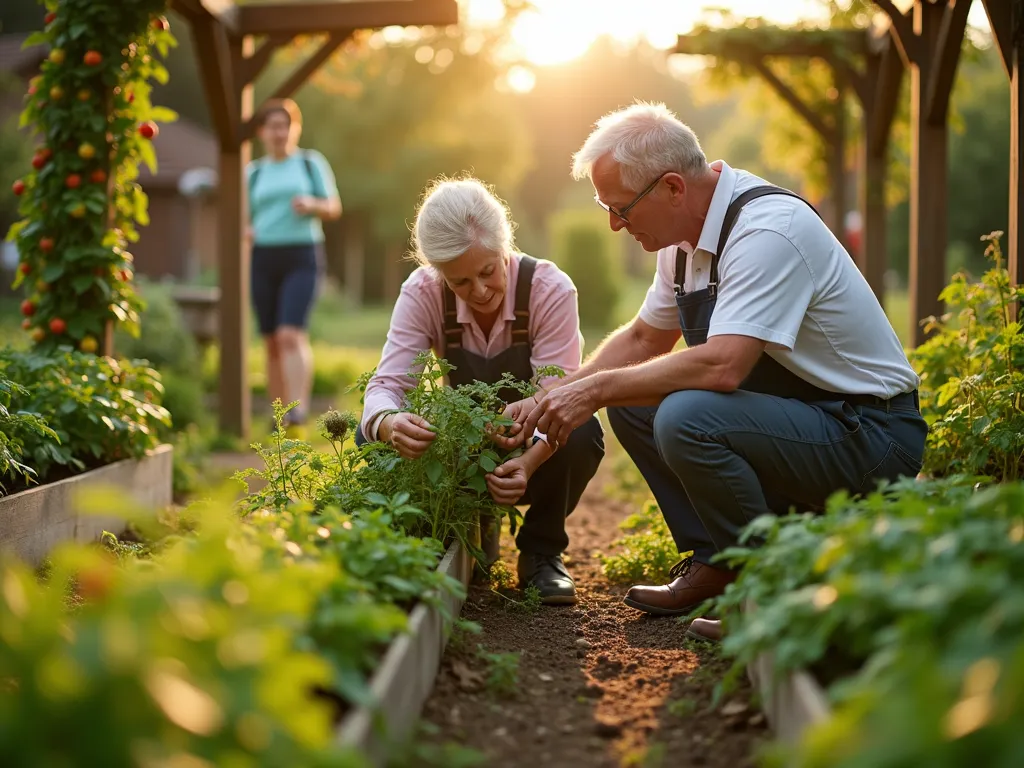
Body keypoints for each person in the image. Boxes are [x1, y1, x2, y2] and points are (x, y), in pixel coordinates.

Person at [499, 102, 927, 636]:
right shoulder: (682, 241)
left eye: (622, 209)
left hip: (868, 434)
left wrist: (598, 389)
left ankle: (769, 591)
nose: (613, 225)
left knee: (684, 415)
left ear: (673, 188)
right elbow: (642, 338)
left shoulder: (769, 230)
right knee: (636, 403)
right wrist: (550, 398)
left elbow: (725, 366)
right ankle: (720, 559)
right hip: (805, 418)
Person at [359, 177, 605, 605]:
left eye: (487, 271)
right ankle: (462, 530)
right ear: (439, 273)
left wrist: (527, 463)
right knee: (371, 436)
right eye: (459, 282)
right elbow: (387, 385)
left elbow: (558, 397)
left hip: (533, 448)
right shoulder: (422, 292)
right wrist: (389, 422)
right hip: (461, 449)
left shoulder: (550, 289)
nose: (479, 291)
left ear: (505, 245)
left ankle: (541, 552)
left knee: (582, 430)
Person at [246, 98, 342, 429]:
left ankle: (297, 410)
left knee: (290, 334)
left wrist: (312, 204)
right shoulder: (254, 172)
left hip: (302, 254)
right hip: (263, 257)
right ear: (262, 132)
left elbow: (333, 206)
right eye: (272, 126)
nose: (279, 133)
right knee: (271, 340)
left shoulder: (309, 163)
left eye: (285, 126)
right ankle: (278, 416)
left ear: (294, 129)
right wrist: (246, 229)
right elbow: (242, 217)